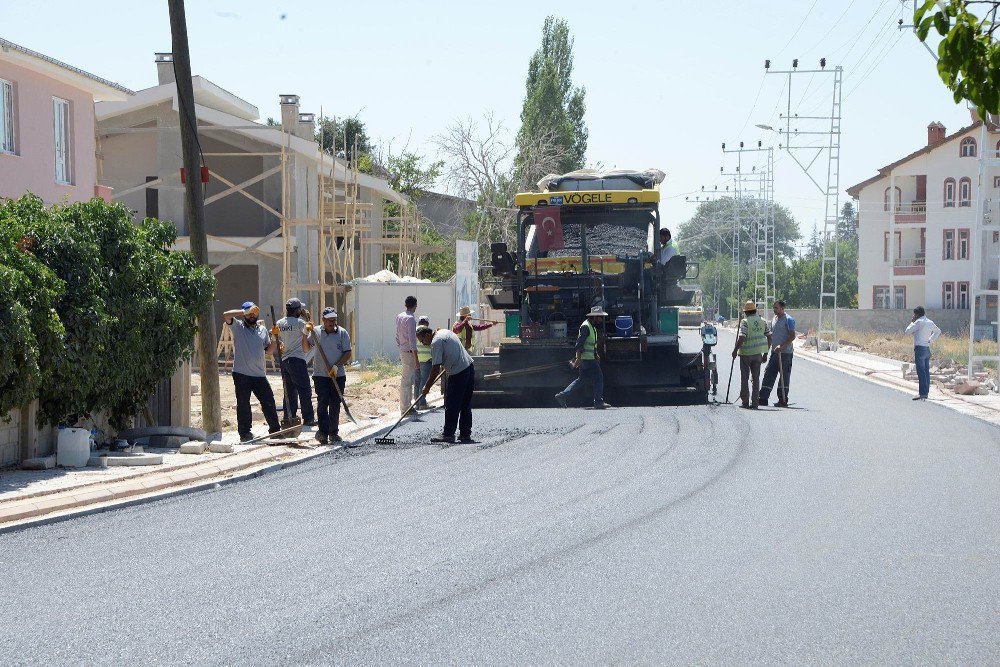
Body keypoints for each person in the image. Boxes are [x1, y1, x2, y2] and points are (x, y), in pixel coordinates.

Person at [223, 301, 282, 441]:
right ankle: (245, 433)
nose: (251, 316)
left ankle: (275, 430)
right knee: (243, 403)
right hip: (241, 374)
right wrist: (244, 311)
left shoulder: (262, 330)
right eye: (248, 314)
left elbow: (269, 351)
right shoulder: (238, 326)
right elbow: (226, 315)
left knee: (268, 401)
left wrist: (274, 339)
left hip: (259, 374)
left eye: (253, 313)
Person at [418, 326, 475, 444]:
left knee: (451, 404)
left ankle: (448, 434)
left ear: (428, 335)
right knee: (465, 404)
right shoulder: (445, 332)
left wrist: (427, 387)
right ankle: (465, 434)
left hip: (458, 372)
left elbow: (435, 368)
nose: (423, 344)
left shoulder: (436, 343)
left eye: (422, 340)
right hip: (469, 367)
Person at [310, 307, 352, 444]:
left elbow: (348, 353)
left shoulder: (342, 333)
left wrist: (336, 366)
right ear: (323, 320)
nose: (332, 323)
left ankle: (333, 433)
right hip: (320, 375)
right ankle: (322, 432)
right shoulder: (315, 332)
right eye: (329, 320)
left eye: (334, 320)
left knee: (335, 404)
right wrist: (305, 333)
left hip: (338, 375)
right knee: (322, 403)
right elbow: (305, 348)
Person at [554, 306, 608, 409]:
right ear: (595, 317)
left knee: (581, 380)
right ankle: (598, 402)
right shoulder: (586, 326)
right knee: (599, 378)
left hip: (588, 358)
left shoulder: (591, 327)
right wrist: (578, 359)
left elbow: (591, 344)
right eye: (600, 317)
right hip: (587, 360)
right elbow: (579, 344)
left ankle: (562, 395)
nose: (601, 319)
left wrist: (595, 354)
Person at [273, 297, 315, 428]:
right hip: (297, 360)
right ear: (297, 310)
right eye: (300, 309)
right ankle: (308, 418)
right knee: (304, 390)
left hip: (285, 360)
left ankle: (288, 417)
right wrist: (308, 318)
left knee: (289, 390)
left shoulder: (279, 323)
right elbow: (310, 334)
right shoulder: (300, 323)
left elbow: (273, 335)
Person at [731, 300, 771, 410]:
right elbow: (770, 337)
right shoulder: (763, 321)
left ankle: (745, 402)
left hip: (745, 354)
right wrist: (766, 353)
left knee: (744, 378)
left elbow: (742, 337)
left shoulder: (745, 322)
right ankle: (755, 403)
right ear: (755, 310)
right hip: (758, 354)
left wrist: (735, 350)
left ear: (746, 312)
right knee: (756, 379)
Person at [758, 299, 796, 407]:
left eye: (776, 308)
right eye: (774, 307)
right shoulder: (773, 319)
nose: (774, 309)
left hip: (785, 353)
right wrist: (766, 352)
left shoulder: (788, 320)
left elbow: (792, 336)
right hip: (775, 352)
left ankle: (783, 399)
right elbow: (770, 337)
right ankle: (763, 398)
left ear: (782, 309)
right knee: (769, 373)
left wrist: (782, 346)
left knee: (784, 377)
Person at [905, 306, 941, 400]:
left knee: (921, 372)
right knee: (926, 372)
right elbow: (938, 331)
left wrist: (912, 322)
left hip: (920, 349)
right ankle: (926, 392)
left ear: (916, 314)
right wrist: (930, 340)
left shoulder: (918, 322)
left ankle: (922, 393)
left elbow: (907, 331)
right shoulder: (930, 322)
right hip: (927, 349)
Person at [395, 295, 419, 413]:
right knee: (407, 381)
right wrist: (416, 358)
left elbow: (397, 336)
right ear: (415, 306)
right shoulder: (410, 319)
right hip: (409, 352)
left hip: (403, 351)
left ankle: (407, 406)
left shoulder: (400, 316)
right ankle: (406, 408)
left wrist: (401, 347)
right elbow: (412, 340)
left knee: (407, 380)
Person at [415, 315, 432, 410]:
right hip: (426, 359)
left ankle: (416, 403)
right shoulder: (428, 331)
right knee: (424, 382)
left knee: (417, 382)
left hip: (416, 359)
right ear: (427, 323)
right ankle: (422, 403)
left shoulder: (414, 331)